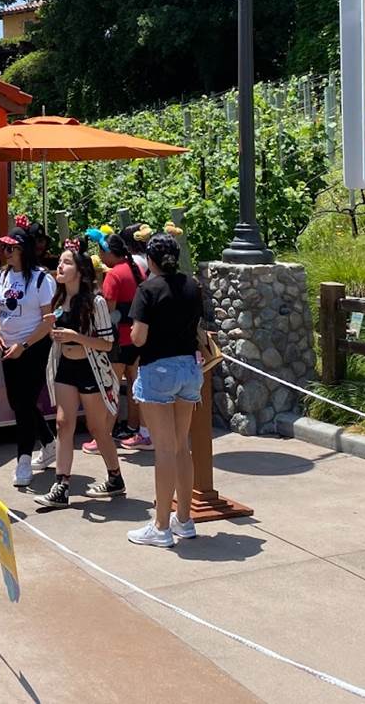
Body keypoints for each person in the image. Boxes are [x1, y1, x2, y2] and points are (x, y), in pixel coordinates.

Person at [125, 233, 204, 548]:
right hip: (189, 368)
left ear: (151, 259)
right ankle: (183, 519)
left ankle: (160, 526)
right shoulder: (192, 285)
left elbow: (138, 337)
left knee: (165, 450)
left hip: (158, 369)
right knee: (181, 446)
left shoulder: (148, 289)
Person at [36, 241, 125, 510]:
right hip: (64, 366)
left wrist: (76, 337)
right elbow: (57, 336)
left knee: (97, 428)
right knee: (63, 423)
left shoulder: (95, 302)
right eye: (60, 262)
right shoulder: (58, 299)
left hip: (90, 369)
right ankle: (61, 485)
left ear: (80, 270)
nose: (60, 267)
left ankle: (115, 477)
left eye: (67, 262)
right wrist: (53, 330)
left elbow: (107, 344)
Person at [0, 225, 57, 487]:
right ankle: (48, 442)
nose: (6, 252)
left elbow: (48, 320)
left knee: (25, 402)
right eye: (4, 247)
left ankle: (23, 459)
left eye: (11, 248)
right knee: (17, 402)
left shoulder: (41, 279)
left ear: (23, 250)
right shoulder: (1, 275)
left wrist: (24, 345)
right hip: (7, 346)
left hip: (34, 347)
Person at [92, 232, 152, 453]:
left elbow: (106, 312)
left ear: (108, 253)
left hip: (118, 342)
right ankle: (141, 431)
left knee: (111, 389)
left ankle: (103, 437)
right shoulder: (137, 270)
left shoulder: (114, 275)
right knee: (138, 387)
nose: (99, 256)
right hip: (137, 338)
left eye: (101, 251)